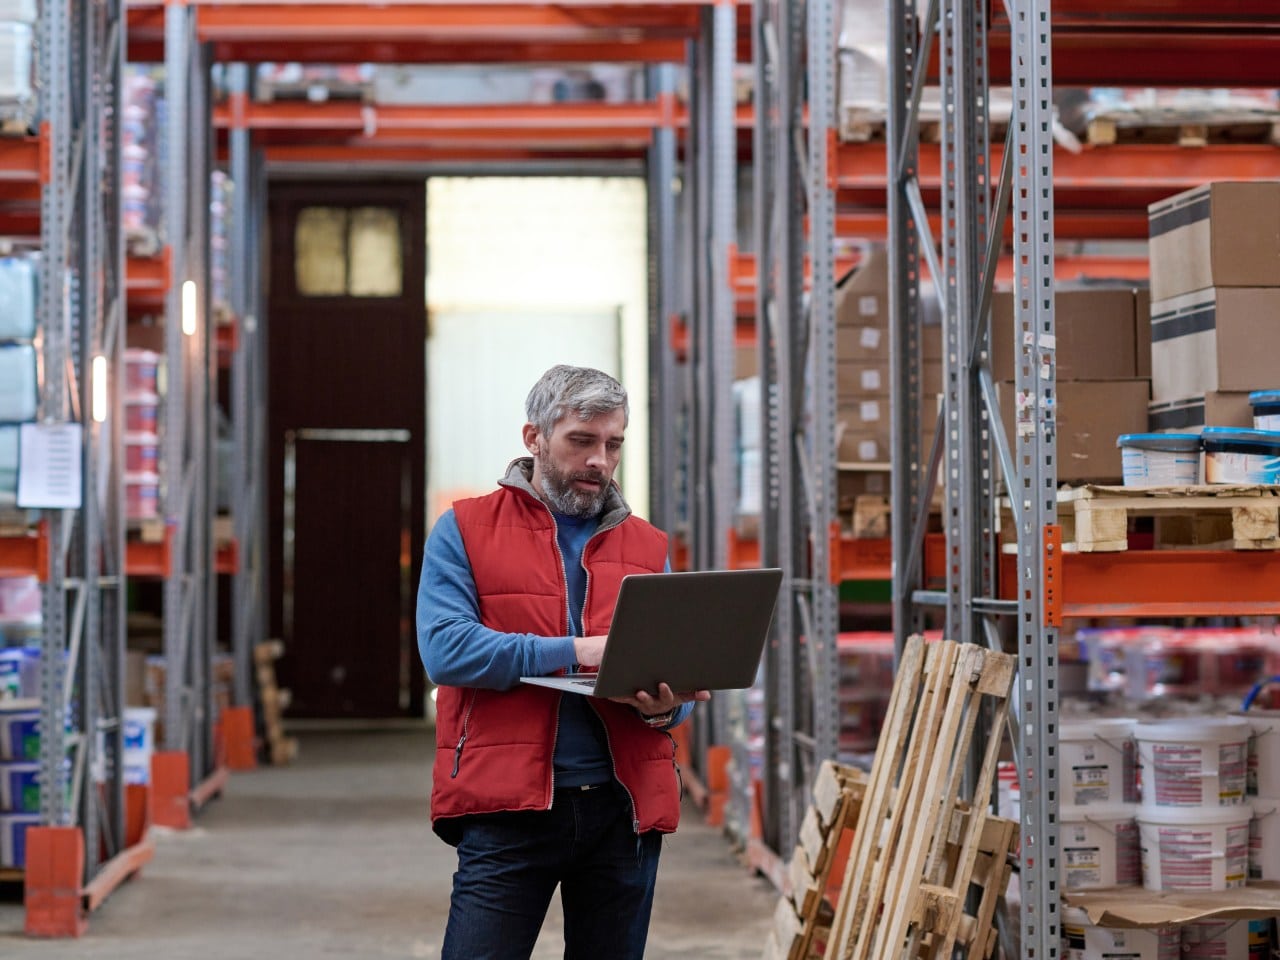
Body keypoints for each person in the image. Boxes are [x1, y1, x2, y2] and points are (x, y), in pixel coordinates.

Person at [417, 364, 711, 960]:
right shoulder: (465, 530)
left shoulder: (648, 547)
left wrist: (664, 708)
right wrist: (577, 653)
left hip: (621, 809)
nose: (600, 460)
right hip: (508, 810)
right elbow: (445, 648)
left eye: (613, 444)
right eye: (582, 441)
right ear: (534, 439)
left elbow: (673, 691)